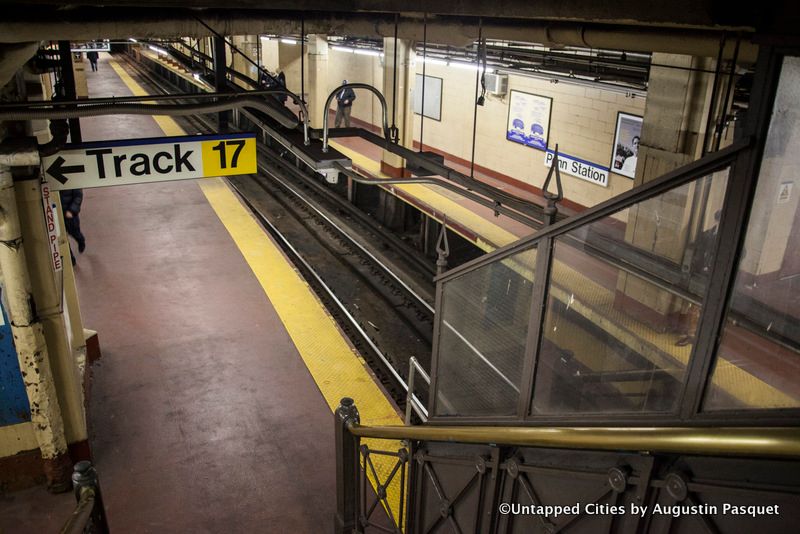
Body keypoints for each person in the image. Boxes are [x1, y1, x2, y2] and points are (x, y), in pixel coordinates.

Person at [61, 189, 86, 266]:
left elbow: (78, 197)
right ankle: (70, 258)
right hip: (57, 213)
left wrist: (72, 210)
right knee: (63, 237)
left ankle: (80, 240)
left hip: (70, 215)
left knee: (75, 232)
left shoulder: (71, 181)